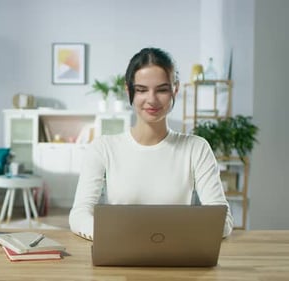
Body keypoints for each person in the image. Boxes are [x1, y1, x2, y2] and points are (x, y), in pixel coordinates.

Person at [69, 47, 234, 240]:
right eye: (141, 90)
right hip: (120, 255)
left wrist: (162, 237)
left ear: (175, 89)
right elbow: (79, 215)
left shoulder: (196, 148)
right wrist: (116, 236)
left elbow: (223, 221)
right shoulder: (103, 148)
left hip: (177, 258)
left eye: (162, 90)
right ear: (128, 90)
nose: (152, 99)